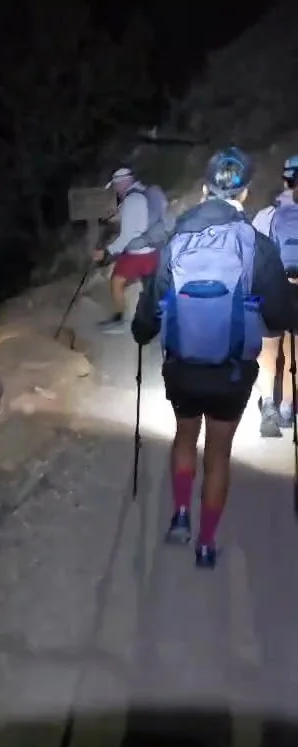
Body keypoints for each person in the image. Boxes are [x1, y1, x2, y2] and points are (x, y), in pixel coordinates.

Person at [131, 147, 291, 567]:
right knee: (218, 453)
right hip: (232, 371)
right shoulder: (256, 245)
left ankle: (180, 516)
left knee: (185, 436)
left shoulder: (175, 240)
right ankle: (205, 543)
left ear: (204, 190)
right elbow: (279, 316)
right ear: (245, 193)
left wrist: (141, 331)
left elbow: (147, 315)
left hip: (183, 365)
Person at [252, 155, 298, 436]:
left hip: (273, 287)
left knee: (268, 349)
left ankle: (268, 404)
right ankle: (288, 408)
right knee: (295, 351)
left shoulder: (266, 215)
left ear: (285, 181)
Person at [93, 167, 162, 334]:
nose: (115, 189)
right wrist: (115, 218)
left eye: (116, 185)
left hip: (139, 253)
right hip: (153, 250)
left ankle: (122, 322)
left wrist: (107, 251)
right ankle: (152, 318)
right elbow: (137, 219)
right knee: (149, 287)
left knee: (117, 280)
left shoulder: (132, 200)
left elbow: (127, 236)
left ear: (123, 183)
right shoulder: (142, 193)